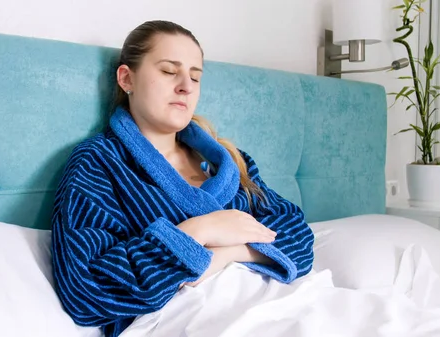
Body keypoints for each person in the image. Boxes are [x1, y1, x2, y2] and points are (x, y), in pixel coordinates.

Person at [50, 20, 314, 337]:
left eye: (195, 76)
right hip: (186, 322)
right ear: (126, 78)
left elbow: (298, 236)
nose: (186, 86)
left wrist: (230, 254)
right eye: (168, 71)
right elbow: (86, 288)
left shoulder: (229, 162)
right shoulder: (99, 163)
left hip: (275, 305)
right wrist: (198, 230)